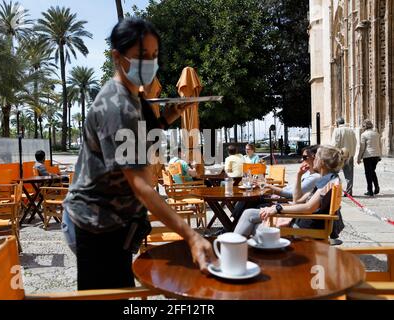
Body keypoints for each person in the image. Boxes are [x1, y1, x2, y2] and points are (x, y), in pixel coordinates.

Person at [62, 18, 214, 290]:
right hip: (94, 223)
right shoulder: (117, 105)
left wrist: (169, 116)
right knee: (107, 296)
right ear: (117, 56)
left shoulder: (133, 95)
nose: (150, 63)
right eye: (142, 56)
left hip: (116, 221)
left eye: (154, 55)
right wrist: (191, 236)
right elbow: (142, 185)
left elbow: (141, 137)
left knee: (120, 292)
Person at [234, 145, 345, 240]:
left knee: (252, 226)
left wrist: (278, 208)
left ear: (322, 162)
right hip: (302, 220)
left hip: (303, 227)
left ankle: (233, 251)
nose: (314, 159)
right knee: (248, 213)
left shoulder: (327, 182)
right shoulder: (329, 179)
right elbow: (297, 200)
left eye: (316, 157)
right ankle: (235, 251)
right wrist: (298, 175)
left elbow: (309, 207)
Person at [331, 117, 357, 196]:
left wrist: (333, 154)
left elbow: (335, 143)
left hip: (340, 155)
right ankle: (349, 191)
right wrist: (352, 153)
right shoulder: (351, 130)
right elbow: (355, 142)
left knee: (334, 172)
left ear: (338, 123)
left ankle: (336, 190)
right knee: (349, 174)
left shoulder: (337, 130)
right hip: (349, 155)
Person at [357, 119, 382, 197]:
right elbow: (379, 145)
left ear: (364, 126)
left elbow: (362, 148)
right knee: (372, 171)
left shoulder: (364, 135)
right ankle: (377, 187)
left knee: (368, 173)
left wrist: (359, 158)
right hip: (376, 156)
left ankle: (370, 190)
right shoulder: (377, 134)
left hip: (368, 156)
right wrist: (380, 155)